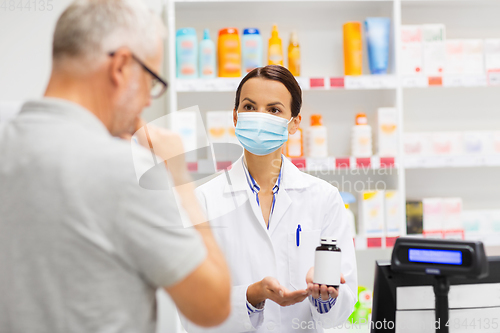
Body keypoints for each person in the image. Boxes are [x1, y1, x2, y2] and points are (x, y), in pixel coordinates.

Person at [0, 1, 230, 332]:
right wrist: (178, 176)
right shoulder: (125, 170)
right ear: (121, 66)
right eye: (151, 81)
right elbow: (213, 306)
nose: (150, 101)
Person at [180, 65, 358, 333]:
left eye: (274, 110)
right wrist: (251, 296)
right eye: (250, 107)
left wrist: (324, 295)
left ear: (294, 123)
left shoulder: (324, 199)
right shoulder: (203, 201)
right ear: (236, 117)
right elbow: (193, 305)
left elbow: (342, 308)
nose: (259, 117)